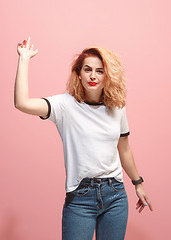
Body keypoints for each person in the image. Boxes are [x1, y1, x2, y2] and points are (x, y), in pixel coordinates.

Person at [14, 36, 153, 240]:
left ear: (107, 75)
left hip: (115, 195)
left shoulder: (117, 107)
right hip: (80, 198)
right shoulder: (65, 106)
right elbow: (22, 103)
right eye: (87, 69)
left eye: (99, 70)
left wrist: (138, 183)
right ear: (78, 74)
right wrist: (24, 59)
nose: (93, 76)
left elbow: (124, 148)